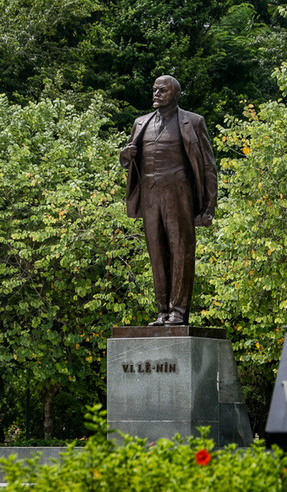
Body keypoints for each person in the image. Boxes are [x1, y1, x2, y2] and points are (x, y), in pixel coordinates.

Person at [120, 76, 217, 326]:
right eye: (154, 89)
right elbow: (130, 159)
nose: (156, 93)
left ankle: (178, 311)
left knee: (181, 251)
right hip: (150, 196)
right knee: (157, 253)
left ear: (176, 94)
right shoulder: (140, 123)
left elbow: (207, 165)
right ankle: (162, 310)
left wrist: (209, 205)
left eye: (162, 90)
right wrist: (124, 155)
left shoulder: (192, 122)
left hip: (179, 194)